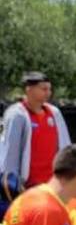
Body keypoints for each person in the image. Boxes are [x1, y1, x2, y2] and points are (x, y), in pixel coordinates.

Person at [0, 71, 71, 211]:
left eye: (49, 89)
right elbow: (9, 151)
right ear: (29, 90)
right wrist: (12, 183)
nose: (48, 93)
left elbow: (65, 144)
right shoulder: (17, 115)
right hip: (28, 184)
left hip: (52, 182)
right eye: (43, 89)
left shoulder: (54, 113)